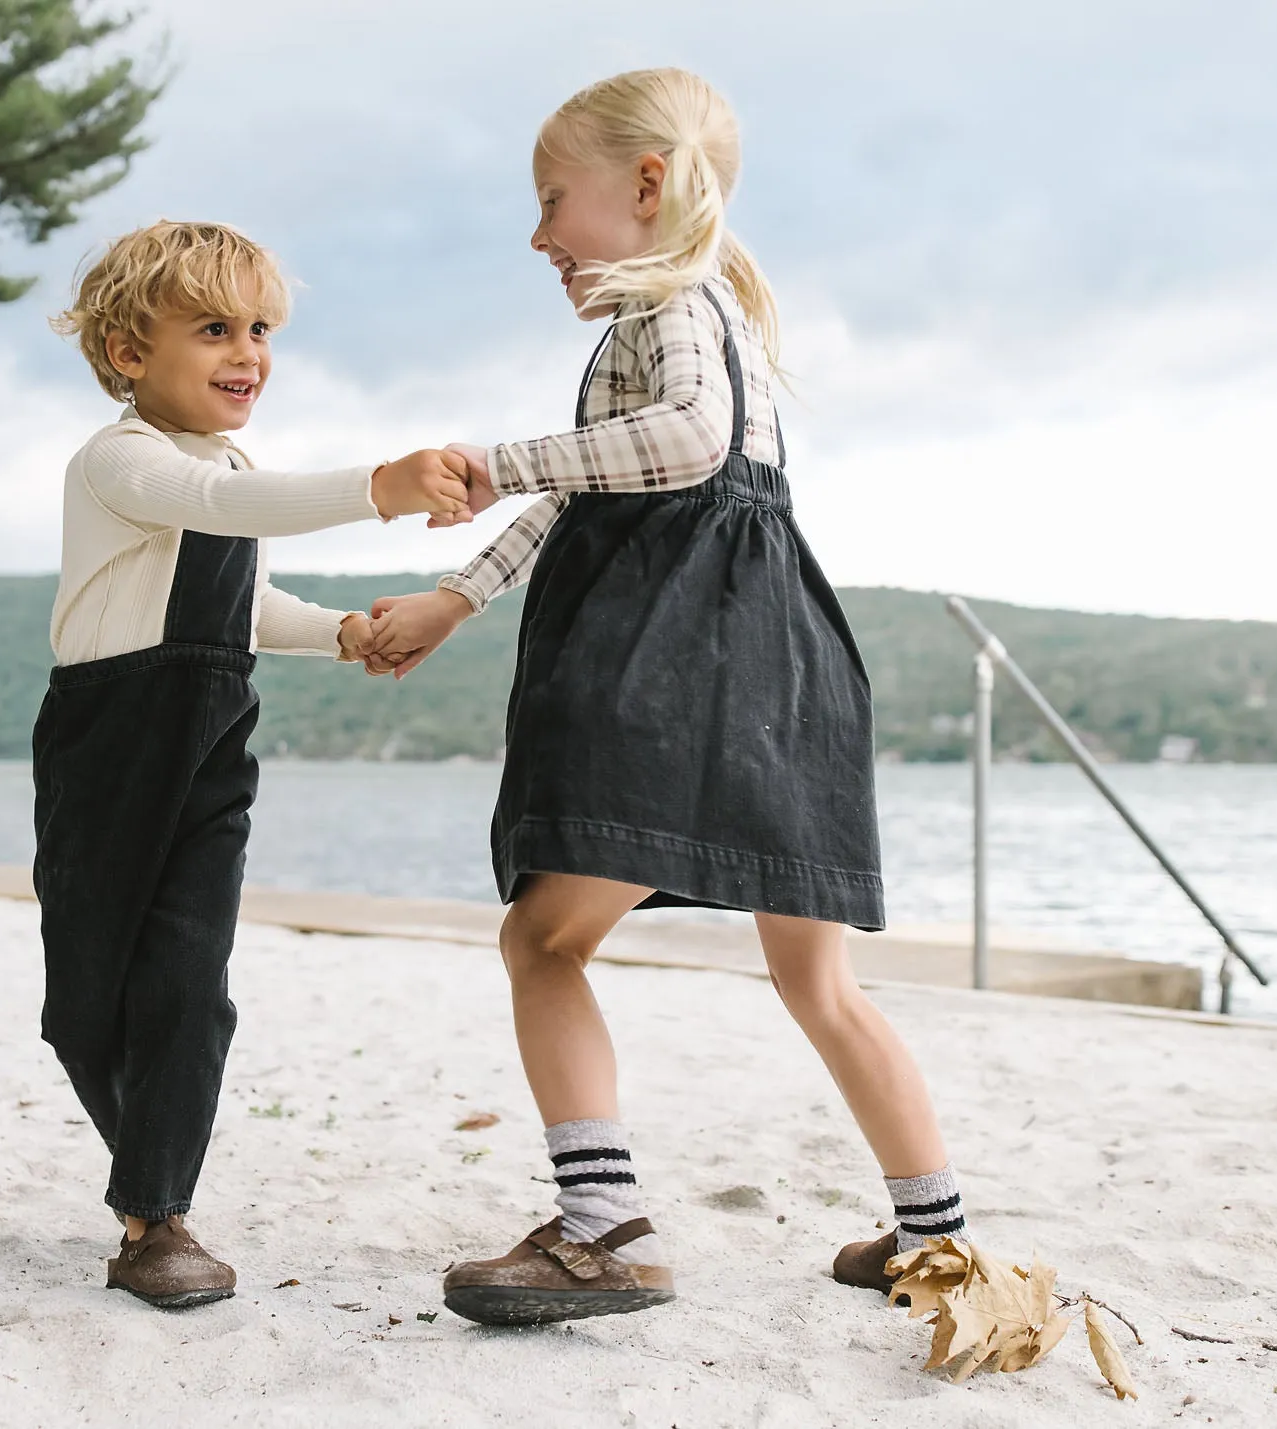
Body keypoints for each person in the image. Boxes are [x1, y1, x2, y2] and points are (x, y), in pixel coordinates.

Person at [362, 69, 967, 1326]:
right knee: (820, 984)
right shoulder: (710, 316)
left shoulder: (672, 308)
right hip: (779, 677)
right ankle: (937, 1239)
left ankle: (603, 1227)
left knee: (544, 939)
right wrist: (454, 595)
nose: (537, 237)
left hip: (675, 664)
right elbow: (604, 482)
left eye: (549, 203)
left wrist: (495, 460)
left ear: (644, 186)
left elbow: (681, 443)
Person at [38, 220, 471, 1308]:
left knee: (188, 977)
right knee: (85, 1003)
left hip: (209, 736)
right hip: (106, 740)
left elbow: (237, 604)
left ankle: (156, 1215)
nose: (248, 352)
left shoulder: (230, 467)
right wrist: (377, 484)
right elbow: (220, 511)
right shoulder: (122, 461)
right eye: (214, 328)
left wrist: (337, 631)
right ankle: (147, 1161)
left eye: (261, 329)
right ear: (130, 355)